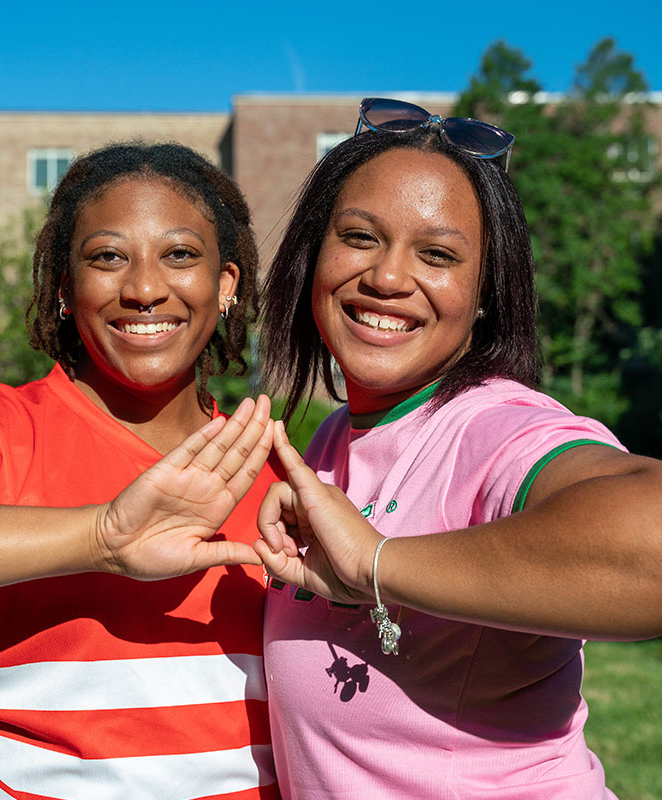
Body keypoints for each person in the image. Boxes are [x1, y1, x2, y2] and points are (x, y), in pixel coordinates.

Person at [254, 99, 662, 799]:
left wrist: (376, 562)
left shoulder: (492, 427)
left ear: (483, 296)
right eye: (359, 237)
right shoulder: (334, 438)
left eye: (437, 254)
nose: (387, 277)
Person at [0, 142, 282, 799]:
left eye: (179, 254)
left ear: (226, 284)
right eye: (108, 256)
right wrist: (99, 540)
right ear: (66, 288)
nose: (144, 289)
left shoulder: (276, 473)